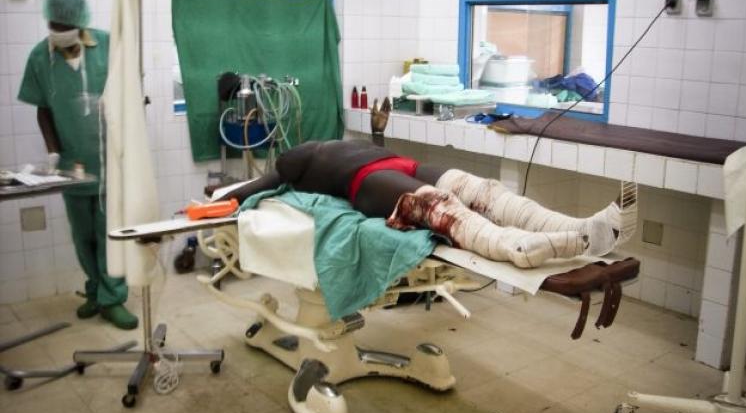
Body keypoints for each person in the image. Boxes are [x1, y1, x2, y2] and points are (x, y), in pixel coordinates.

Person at [222, 139, 637, 268]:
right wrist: (222, 198)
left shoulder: (325, 144)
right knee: (442, 208)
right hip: (366, 182)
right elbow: (260, 182)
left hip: (402, 162)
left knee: (486, 193)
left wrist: (376, 133)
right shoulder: (293, 164)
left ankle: (587, 228)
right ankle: (522, 248)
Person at [17, 0, 138, 329]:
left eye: (64, 25)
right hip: (71, 164)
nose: (58, 32)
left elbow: (129, 93)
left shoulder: (107, 45)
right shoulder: (40, 57)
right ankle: (95, 290)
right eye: (53, 26)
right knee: (81, 234)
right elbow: (42, 110)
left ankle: (113, 298)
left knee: (109, 233)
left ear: (80, 23)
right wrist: (54, 151)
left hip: (108, 159)